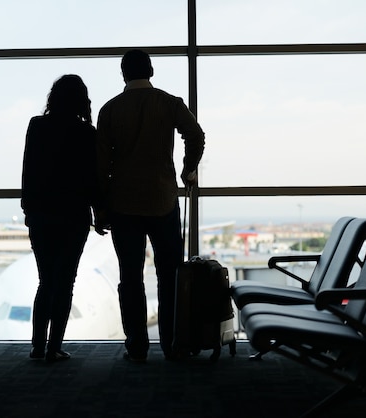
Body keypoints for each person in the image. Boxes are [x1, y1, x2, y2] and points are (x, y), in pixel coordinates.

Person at [95, 49, 205, 362]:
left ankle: (137, 346)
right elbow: (195, 135)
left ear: (123, 74)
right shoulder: (170, 103)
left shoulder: (110, 110)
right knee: (169, 276)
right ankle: (171, 344)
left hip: (123, 205)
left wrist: (100, 208)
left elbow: (101, 166)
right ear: (151, 71)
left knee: (130, 278)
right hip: (163, 200)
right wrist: (187, 168)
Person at [21, 74, 99, 362]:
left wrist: (28, 210)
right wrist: (99, 214)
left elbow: (28, 171)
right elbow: (92, 181)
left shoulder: (37, 126)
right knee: (65, 282)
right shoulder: (87, 133)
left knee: (46, 282)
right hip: (74, 217)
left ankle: (37, 346)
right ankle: (55, 346)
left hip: (42, 216)